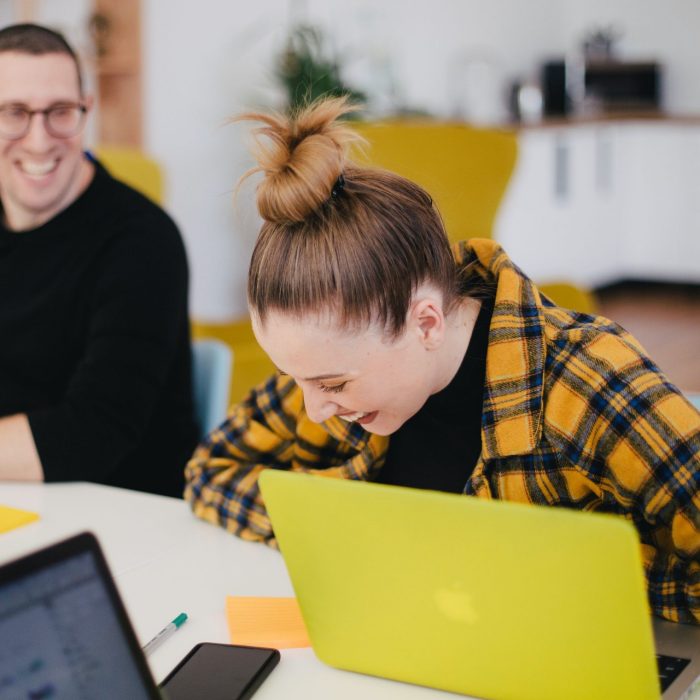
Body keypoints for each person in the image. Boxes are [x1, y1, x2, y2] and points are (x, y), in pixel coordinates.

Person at [185, 97, 700, 623]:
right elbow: (210, 472)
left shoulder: (588, 382)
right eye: (297, 379)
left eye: (334, 385)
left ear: (426, 322)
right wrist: (346, 527)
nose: (314, 408)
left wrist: (576, 572)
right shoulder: (327, 366)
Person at [0, 24, 197, 497]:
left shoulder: (143, 241)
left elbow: (92, 433)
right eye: (14, 113)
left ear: (86, 112)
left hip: (122, 517)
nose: (38, 140)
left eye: (60, 112)